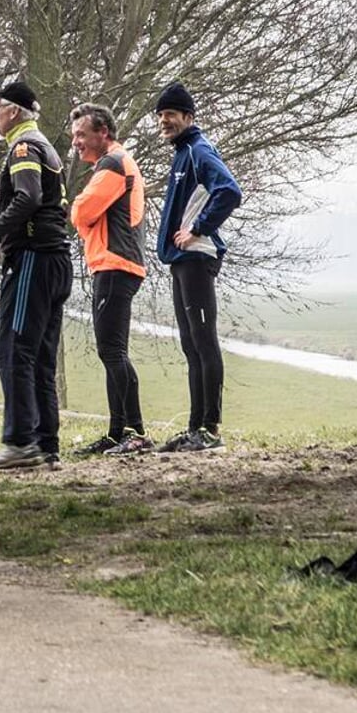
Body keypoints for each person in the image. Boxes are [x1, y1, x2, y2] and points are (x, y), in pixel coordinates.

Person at [0, 80, 72, 471]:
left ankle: (19, 443)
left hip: (32, 260)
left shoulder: (24, 146)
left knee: (14, 350)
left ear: (13, 111)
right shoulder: (48, 147)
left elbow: (28, 198)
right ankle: (47, 445)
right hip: (57, 261)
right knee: (42, 357)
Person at [153, 81, 243, 452]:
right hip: (180, 261)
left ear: (188, 116)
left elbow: (230, 191)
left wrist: (198, 228)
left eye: (170, 115)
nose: (164, 122)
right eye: (160, 117)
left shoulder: (199, 151)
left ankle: (211, 430)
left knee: (204, 343)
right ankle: (194, 428)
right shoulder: (180, 154)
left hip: (197, 256)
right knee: (190, 345)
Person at [67, 103, 151, 456]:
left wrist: (81, 216)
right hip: (115, 264)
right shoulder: (114, 162)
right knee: (111, 351)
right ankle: (117, 433)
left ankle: (135, 433)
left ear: (103, 132)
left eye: (82, 135)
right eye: (74, 136)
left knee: (112, 351)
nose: (76, 143)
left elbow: (82, 211)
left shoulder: (113, 163)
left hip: (116, 264)